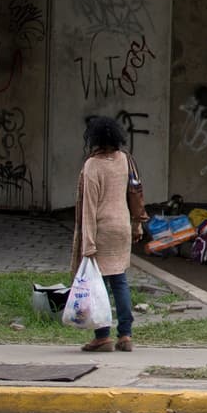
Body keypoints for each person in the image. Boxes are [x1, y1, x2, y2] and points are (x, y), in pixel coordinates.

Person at [71, 116, 140, 353]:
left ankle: (102, 336)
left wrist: (87, 243)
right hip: (122, 226)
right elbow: (135, 191)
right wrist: (137, 223)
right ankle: (126, 334)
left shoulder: (93, 165)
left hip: (102, 227)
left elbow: (89, 207)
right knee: (119, 280)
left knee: (98, 285)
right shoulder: (124, 159)